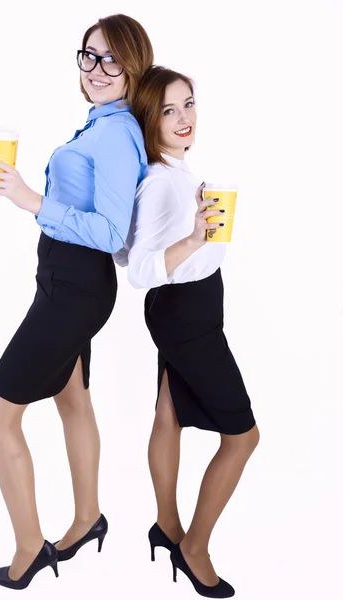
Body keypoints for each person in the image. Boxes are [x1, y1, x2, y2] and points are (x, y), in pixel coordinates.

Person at [0, 14, 153, 590]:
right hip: (66, 281)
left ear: (134, 66)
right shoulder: (100, 124)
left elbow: (111, 232)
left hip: (75, 289)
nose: (97, 69)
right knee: (71, 399)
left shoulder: (117, 133)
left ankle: (31, 549)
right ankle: (87, 520)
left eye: (111, 59)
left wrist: (31, 198)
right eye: (89, 56)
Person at [122, 66, 260, 598]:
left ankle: (165, 524)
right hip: (187, 314)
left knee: (169, 413)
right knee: (243, 436)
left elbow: (140, 248)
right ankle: (194, 546)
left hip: (191, 306)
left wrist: (197, 234)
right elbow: (138, 270)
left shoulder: (176, 173)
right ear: (148, 120)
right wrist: (198, 236)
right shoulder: (160, 182)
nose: (183, 118)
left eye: (189, 104)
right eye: (168, 110)